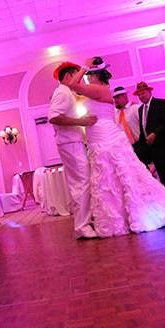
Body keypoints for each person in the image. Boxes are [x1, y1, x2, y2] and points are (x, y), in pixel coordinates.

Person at [65, 57, 165, 237]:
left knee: (119, 175)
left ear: (95, 75)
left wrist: (83, 66)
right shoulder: (98, 89)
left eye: (89, 75)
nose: (87, 78)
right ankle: (120, 217)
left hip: (106, 138)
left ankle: (140, 214)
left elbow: (73, 85)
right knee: (111, 178)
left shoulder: (98, 89)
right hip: (100, 137)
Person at [48, 62, 98, 239]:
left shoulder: (66, 93)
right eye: (77, 76)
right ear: (68, 76)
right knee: (82, 184)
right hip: (70, 143)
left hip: (71, 142)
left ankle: (85, 221)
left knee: (81, 183)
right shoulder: (62, 92)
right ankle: (82, 226)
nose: (80, 81)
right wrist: (81, 122)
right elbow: (53, 118)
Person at [131, 80, 165, 204]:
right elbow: (143, 129)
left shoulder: (160, 103)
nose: (141, 96)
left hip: (163, 147)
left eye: (143, 93)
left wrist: (155, 133)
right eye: (139, 94)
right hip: (152, 149)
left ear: (149, 91)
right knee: (160, 178)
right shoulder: (141, 109)